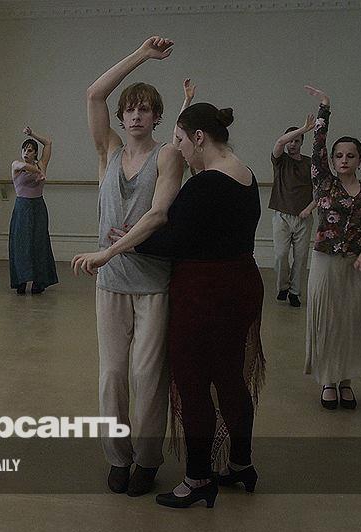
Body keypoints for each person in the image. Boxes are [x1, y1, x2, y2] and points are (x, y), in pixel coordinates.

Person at [74, 99, 264, 509]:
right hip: (243, 283)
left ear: (199, 138)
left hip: (204, 292)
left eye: (180, 140)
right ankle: (240, 463)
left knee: (193, 385)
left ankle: (197, 479)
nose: (177, 149)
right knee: (230, 378)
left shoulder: (204, 184)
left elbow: (174, 238)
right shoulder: (246, 175)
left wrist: (125, 244)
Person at [71, 36, 184, 497]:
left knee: (147, 376)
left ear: (157, 117)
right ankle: (118, 456)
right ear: (122, 117)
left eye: (145, 109)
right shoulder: (109, 152)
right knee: (113, 375)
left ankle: (148, 458)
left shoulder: (168, 155)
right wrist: (141, 55)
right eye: (130, 109)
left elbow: (158, 215)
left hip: (152, 282)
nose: (137, 115)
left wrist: (109, 251)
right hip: (112, 285)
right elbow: (94, 93)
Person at [303, 85, 361, 409]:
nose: (344, 160)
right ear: (332, 160)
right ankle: (328, 380)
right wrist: (324, 108)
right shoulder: (324, 182)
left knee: (354, 322)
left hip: (358, 264)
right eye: (339, 155)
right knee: (328, 321)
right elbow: (317, 146)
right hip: (326, 262)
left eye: (350, 155)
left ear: (360, 159)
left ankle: (346, 381)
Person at [270, 116, 317, 307]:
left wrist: (309, 209)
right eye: (291, 140)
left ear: (302, 143)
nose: (292, 144)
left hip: (303, 217)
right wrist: (303, 129)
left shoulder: (310, 163)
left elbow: (321, 190)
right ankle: (283, 286)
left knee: (301, 257)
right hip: (281, 215)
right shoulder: (280, 160)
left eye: (297, 141)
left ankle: (295, 292)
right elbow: (279, 143)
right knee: (281, 254)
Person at [9, 126, 58, 294]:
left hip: (38, 207)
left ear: (35, 153)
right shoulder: (16, 165)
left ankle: (39, 281)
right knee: (21, 243)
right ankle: (21, 280)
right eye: (24, 150)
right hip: (22, 207)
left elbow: (48, 143)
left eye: (30, 150)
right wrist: (38, 171)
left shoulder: (41, 163)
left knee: (39, 243)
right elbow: (24, 166)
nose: (26, 153)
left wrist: (32, 134)